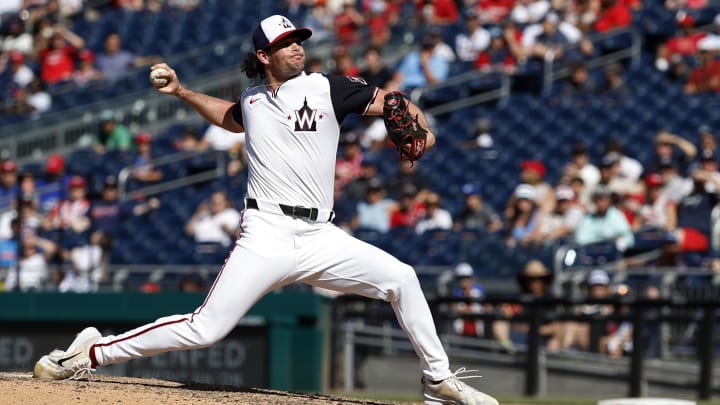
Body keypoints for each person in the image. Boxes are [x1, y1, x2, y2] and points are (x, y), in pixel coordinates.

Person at [33, 14, 499, 405]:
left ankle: (437, 380)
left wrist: (425, 132)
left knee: (403, 278)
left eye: (298, 40)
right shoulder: (254, 100)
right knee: (205, 329)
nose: (296, 48)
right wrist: (181, 92)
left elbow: (394, 103)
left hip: (320, 236)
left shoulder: (327, 88)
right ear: (263, 56)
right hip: (266, 231)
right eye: (285, 44)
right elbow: (229, 116)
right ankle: (90, 353)